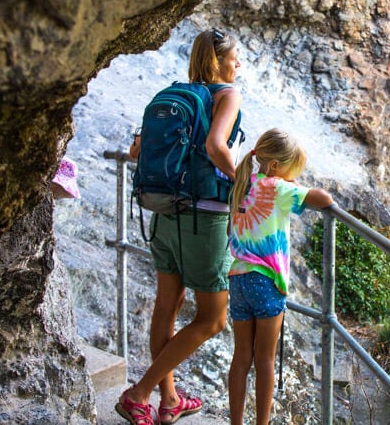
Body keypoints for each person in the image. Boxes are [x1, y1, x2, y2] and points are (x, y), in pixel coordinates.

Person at [117, 29, 242, 425]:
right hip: (203, 219)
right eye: (235, 58)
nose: (239, 65)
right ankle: (139, 393)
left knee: (166, 309)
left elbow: (137, 151)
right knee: (213, 319)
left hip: (165, 211)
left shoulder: (172, 95)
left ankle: (169, 400)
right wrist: (247, 187)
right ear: (220, 61)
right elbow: (215, 147)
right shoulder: (227, 95)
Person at [227, 129, 333, 424]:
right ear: (275, 167)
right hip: (266, 282)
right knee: (265, 361)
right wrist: (291, 184)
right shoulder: (277, 188)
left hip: (237, 276)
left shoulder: (243, 182)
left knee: (241, 358)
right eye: (291, 171)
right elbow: (324, 198)